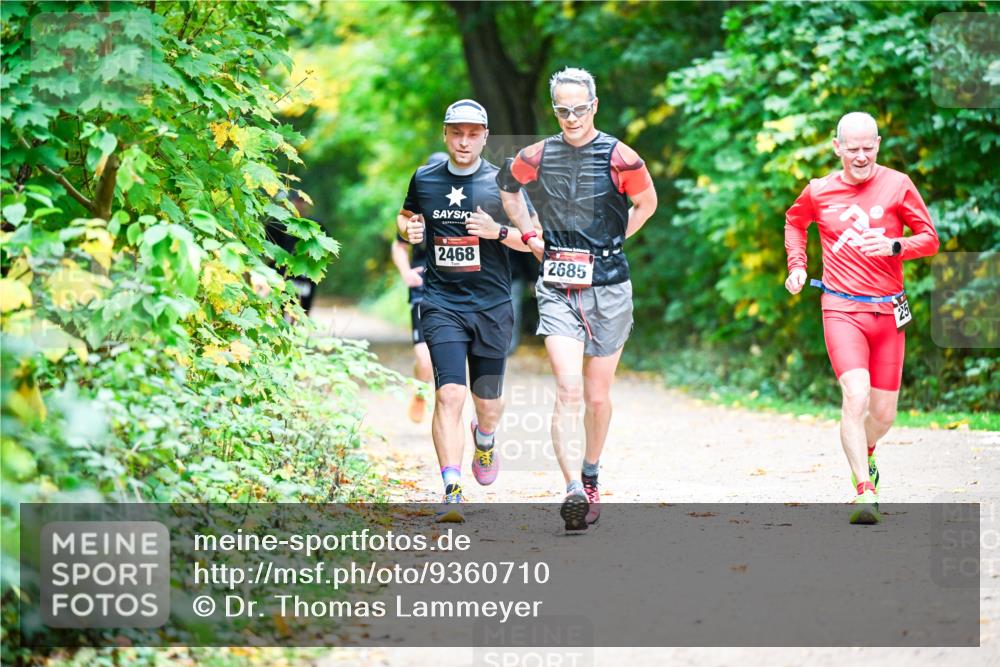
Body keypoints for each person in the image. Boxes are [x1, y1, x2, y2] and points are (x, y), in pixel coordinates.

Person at [497, 68, 657, 530]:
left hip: (609, 285)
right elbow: (509, 190)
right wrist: (530, 234)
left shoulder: (620, 155)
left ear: (595, 106)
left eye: (580, 109)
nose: (572, 117)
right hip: (557, 286)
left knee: (597, 396)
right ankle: (570, 489)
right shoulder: (537, 155)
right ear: (555, 110)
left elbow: (647, 204)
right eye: (563, 110)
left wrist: (615, 239)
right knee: (568, 389)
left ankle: (590, 474)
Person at [783, 111, 939, 524]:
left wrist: (893, 246)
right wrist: (797, 265)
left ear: (879, 144)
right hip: (841, 307)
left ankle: (866, 452)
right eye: (852, 148)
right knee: (856, 395)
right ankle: (863, 491)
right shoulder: (819, 191)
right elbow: (795, 222)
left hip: (889, 310)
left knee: (884, 414)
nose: (861, 156)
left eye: (868, 147)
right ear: (837, 147)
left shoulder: (897, 184)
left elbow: (930, 240)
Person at [397, 99, 537, 522]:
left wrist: (499, 231)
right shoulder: (425, 178)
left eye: (473, 133)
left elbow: (532, 238)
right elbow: (404, 220)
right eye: (456, 132)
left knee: (487, 403)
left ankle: (486, 437)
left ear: (485, 137)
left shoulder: (503, 183)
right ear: (445, 134)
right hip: (442, 302)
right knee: (449, 393)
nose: (463, 141)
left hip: (492, 305)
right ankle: (452, 489)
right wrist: (412, 228)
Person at [392, 152, 448, 423]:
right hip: (422, 288)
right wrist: (405, 272)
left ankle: (448, 412)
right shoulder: (417, 208)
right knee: (425, 360)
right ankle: (421, 389)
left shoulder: (462, 203)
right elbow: (399, 245)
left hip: (454, 290)